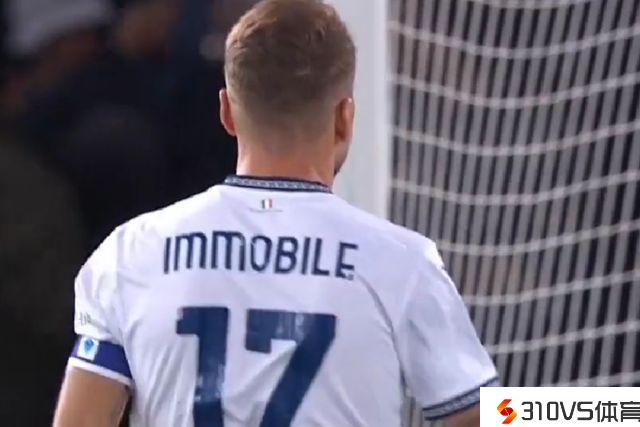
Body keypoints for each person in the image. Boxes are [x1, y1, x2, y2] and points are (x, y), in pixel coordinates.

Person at [53, 0, 498, 426]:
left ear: (227, 112)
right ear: (345, 117)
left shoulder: (131, 254)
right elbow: (486, 416)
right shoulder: (400, 262)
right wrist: (543, 408)